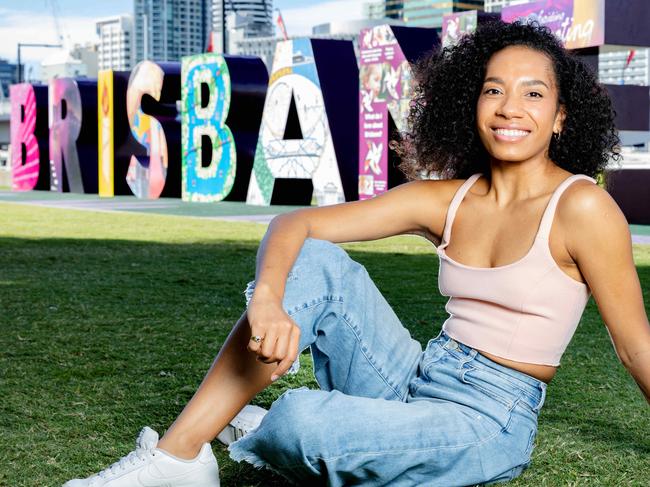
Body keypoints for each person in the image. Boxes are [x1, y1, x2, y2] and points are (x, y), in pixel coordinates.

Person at [64, 20, 650, 487]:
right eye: (493, 89)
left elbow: (634, 346)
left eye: (533, 93)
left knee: (298, 418)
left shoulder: (583, 209)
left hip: (488, 419)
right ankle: (179, 457)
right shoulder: (445, 199)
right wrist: (267, 299)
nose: (509, 107)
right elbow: (296, 224)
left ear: (561, 116)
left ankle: (283, 434)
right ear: (470, 103)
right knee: (315, 262)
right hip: (419, 375)